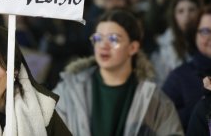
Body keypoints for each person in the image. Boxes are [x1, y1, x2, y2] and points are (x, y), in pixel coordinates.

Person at [53, 8, 183, 135]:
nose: (104, 45)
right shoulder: (68, 90)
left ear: (133, 48)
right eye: (98, 38)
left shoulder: (154, 99)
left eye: (113, 39)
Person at [163, 5, 211, 131]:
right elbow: (161, 122)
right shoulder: (179, 77)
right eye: (205, 31)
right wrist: (202, 106)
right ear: (194, 34)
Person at [151, 0, 200, 86]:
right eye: (180, 11)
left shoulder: (206, 42)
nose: (187, 15)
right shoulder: (163, 47)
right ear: (174, 16)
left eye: (192, 10)